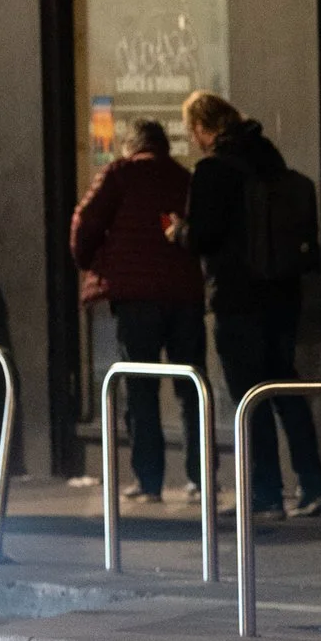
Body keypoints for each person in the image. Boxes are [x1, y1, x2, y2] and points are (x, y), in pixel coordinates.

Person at [172, 89, 321, 522]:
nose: (194, 138)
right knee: (285, 390)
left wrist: (178, 233)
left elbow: (203, 236)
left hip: (238, 297)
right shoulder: (268, 158)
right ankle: (313, 483)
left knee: (250, 399)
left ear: (203, 129)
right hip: (282, 293)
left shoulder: (213, 171)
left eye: (193, 130)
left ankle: (265, 493)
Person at [71, 116, 204, 507]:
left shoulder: (119, 174)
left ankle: (149, 481)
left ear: (131, 145)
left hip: (136, 299)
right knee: (191, 386)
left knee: (140, 388)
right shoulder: (184, 177)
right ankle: (199, 478)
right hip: (184, 294)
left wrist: (92, 261)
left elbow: (85, 223)